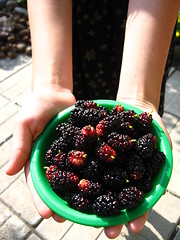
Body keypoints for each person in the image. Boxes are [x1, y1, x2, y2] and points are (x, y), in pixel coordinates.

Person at [5, 0, 179, 239]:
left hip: (143, 35)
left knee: (118, 120)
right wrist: (51, 83)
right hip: (75, 32)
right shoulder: (85, 139)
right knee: (81, 100)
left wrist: (141, 96)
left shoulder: (112, 142)